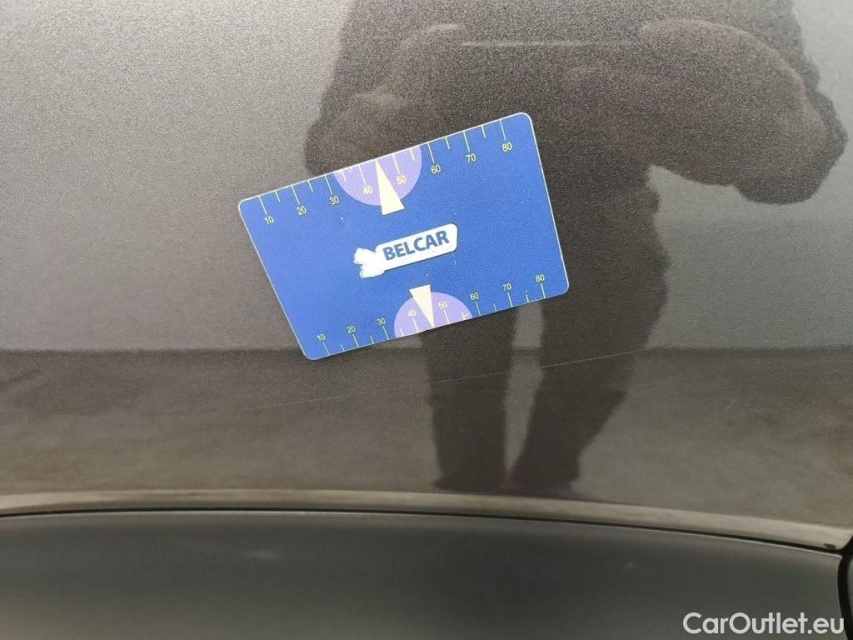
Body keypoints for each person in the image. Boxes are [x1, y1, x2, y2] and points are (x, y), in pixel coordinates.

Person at [305, 0, 846, 495]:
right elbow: (333, 132)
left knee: (564, 374)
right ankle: (510, 487)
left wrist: (796, 143)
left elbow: (802, 126)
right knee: (489, 376)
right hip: (504, 197)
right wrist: (799, 145)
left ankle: (518, 485)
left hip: (558, 196)